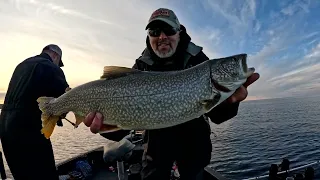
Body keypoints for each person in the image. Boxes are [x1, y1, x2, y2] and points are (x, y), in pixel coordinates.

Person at [83, 8, 260, 180]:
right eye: (154, 31)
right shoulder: (140, 68)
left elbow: (216, 115)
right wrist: (104, 126)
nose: (162, 37)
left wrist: (230, 103)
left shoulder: (199, 61)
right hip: (156, 149)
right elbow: (124, 125)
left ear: (178, 32)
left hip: (194, 146)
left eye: (168, 30)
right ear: (149, 36)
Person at [0, 44, 70, 180]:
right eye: (58, 62)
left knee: (21, 175)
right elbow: (65, 99)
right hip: (29, 128)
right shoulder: (52, 67)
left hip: (4, 126)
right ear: (55, 55)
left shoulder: (21, 65)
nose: (58, 65)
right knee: (45, 175)